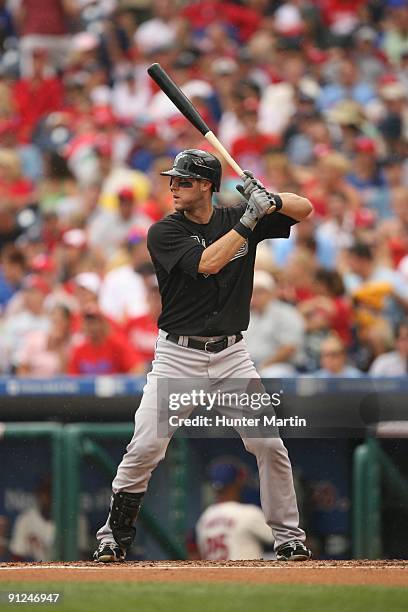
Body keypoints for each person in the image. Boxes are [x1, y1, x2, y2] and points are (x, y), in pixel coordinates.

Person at [93, 148, 313, 563]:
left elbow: (306, 209)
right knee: (145, 447)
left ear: (208, 186)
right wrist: (251, 219)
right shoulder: (164, 231)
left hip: (232, 355)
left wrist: (272, 199)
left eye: (185, 181)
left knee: (268, 444)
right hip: (179, 356)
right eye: (172, 180)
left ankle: (287, 537)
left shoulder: (234, 216)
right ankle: (114, 536)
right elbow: (208, 264)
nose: (174, 187)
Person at [196, 458, 274, 560]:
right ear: (238, 482)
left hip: (213, 574)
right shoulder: (249, 514)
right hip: (245, 575)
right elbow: (287, 540)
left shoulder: (204, 519)